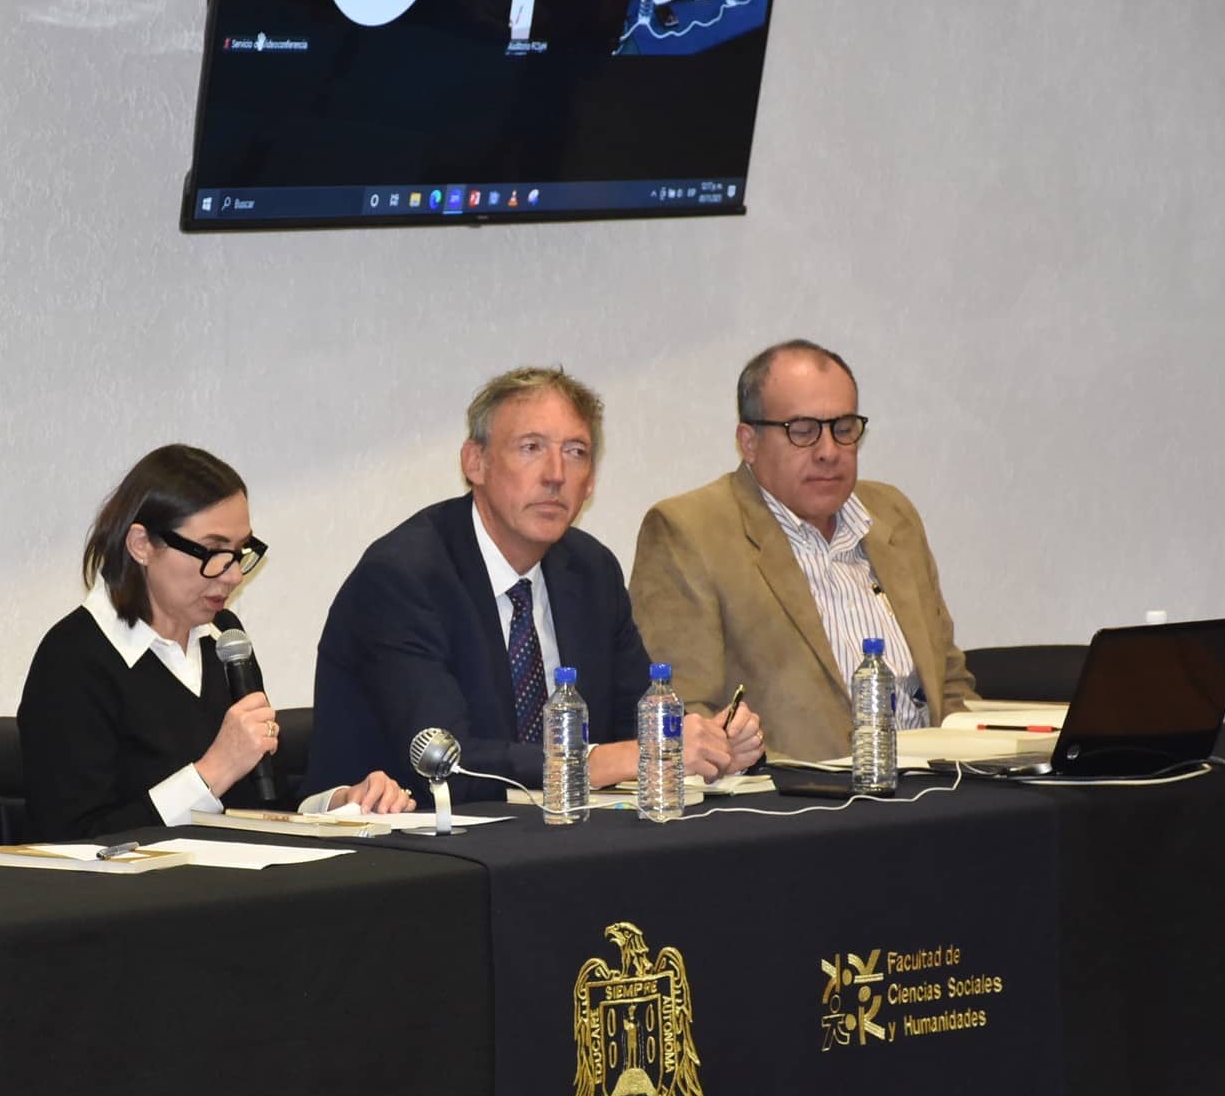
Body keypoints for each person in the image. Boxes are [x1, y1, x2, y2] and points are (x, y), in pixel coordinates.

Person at [308, 366, 763, 805]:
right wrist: (612, 759)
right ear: (475, 462)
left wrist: (709, 744)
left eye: (576, 452)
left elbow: (635, 724)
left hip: (562, 837)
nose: (555, 475)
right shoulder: (404, 576)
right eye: (531, 448)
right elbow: (446, 761)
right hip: (406, 839)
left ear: (591, 483)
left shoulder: (590, 571)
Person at [19, 445, 414, 841]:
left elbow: (261, 806)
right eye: (213, 551)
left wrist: (341, 804)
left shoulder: (224, 638)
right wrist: (213, 772)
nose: (233, 575)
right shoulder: (73, 659)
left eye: (240, 551)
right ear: (141, 545)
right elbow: (71, 840)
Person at [629, 340, 976, 762]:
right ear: (749, 442)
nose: (829, 451)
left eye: (843, 428)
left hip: (937, 787)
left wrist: (981, 764)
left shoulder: (893, 516)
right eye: (803, 430)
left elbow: (949, 682)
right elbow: (685, 717)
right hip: (799, 795)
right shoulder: (689, 531)